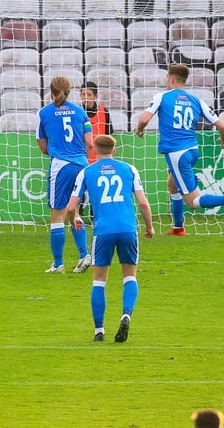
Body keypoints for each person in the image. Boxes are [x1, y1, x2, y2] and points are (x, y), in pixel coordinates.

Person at [135, 63, 224, 236]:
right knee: (172, 186)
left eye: (167, 78)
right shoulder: (196, 100)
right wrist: (223, 141)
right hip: (192, 150)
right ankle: (178, 227)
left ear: (171, 78)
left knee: (192, 201)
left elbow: (144, 119)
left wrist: (140, 129)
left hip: (176, 154)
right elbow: (221, 126)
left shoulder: (162, 97)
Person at [66, 135, 154, 343]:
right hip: (127, 229)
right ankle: (126, 315)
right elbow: (143, 203)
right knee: (129, 277)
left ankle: (99, 330)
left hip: (103, 231)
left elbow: (70, 207)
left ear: (94, 151)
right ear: (114, 151)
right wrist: (149, 226)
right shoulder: (129, 169)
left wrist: (75, 219)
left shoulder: (87, 172)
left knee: (98, 281)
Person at [37, 76, 93, 274]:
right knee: (74, 211)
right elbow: (90, 143)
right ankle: (83, 254)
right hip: (82, 166)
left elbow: (43, 146)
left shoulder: (44, 114)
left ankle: (58, 264)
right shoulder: (81, 113)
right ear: (69, 92)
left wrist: (58, 150)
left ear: (51, 92)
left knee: (57, 216)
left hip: (61, 165)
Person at [78, 81, 114, 222]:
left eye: (88, 94)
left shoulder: (104, 112)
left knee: (98, 188)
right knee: (79, 189)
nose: (85, 97)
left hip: (100, 157)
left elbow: (109, 134)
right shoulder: (77, 112)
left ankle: (95, 216)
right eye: (82, 94)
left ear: (95, 96)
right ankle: (78, 215)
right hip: (82, 156)